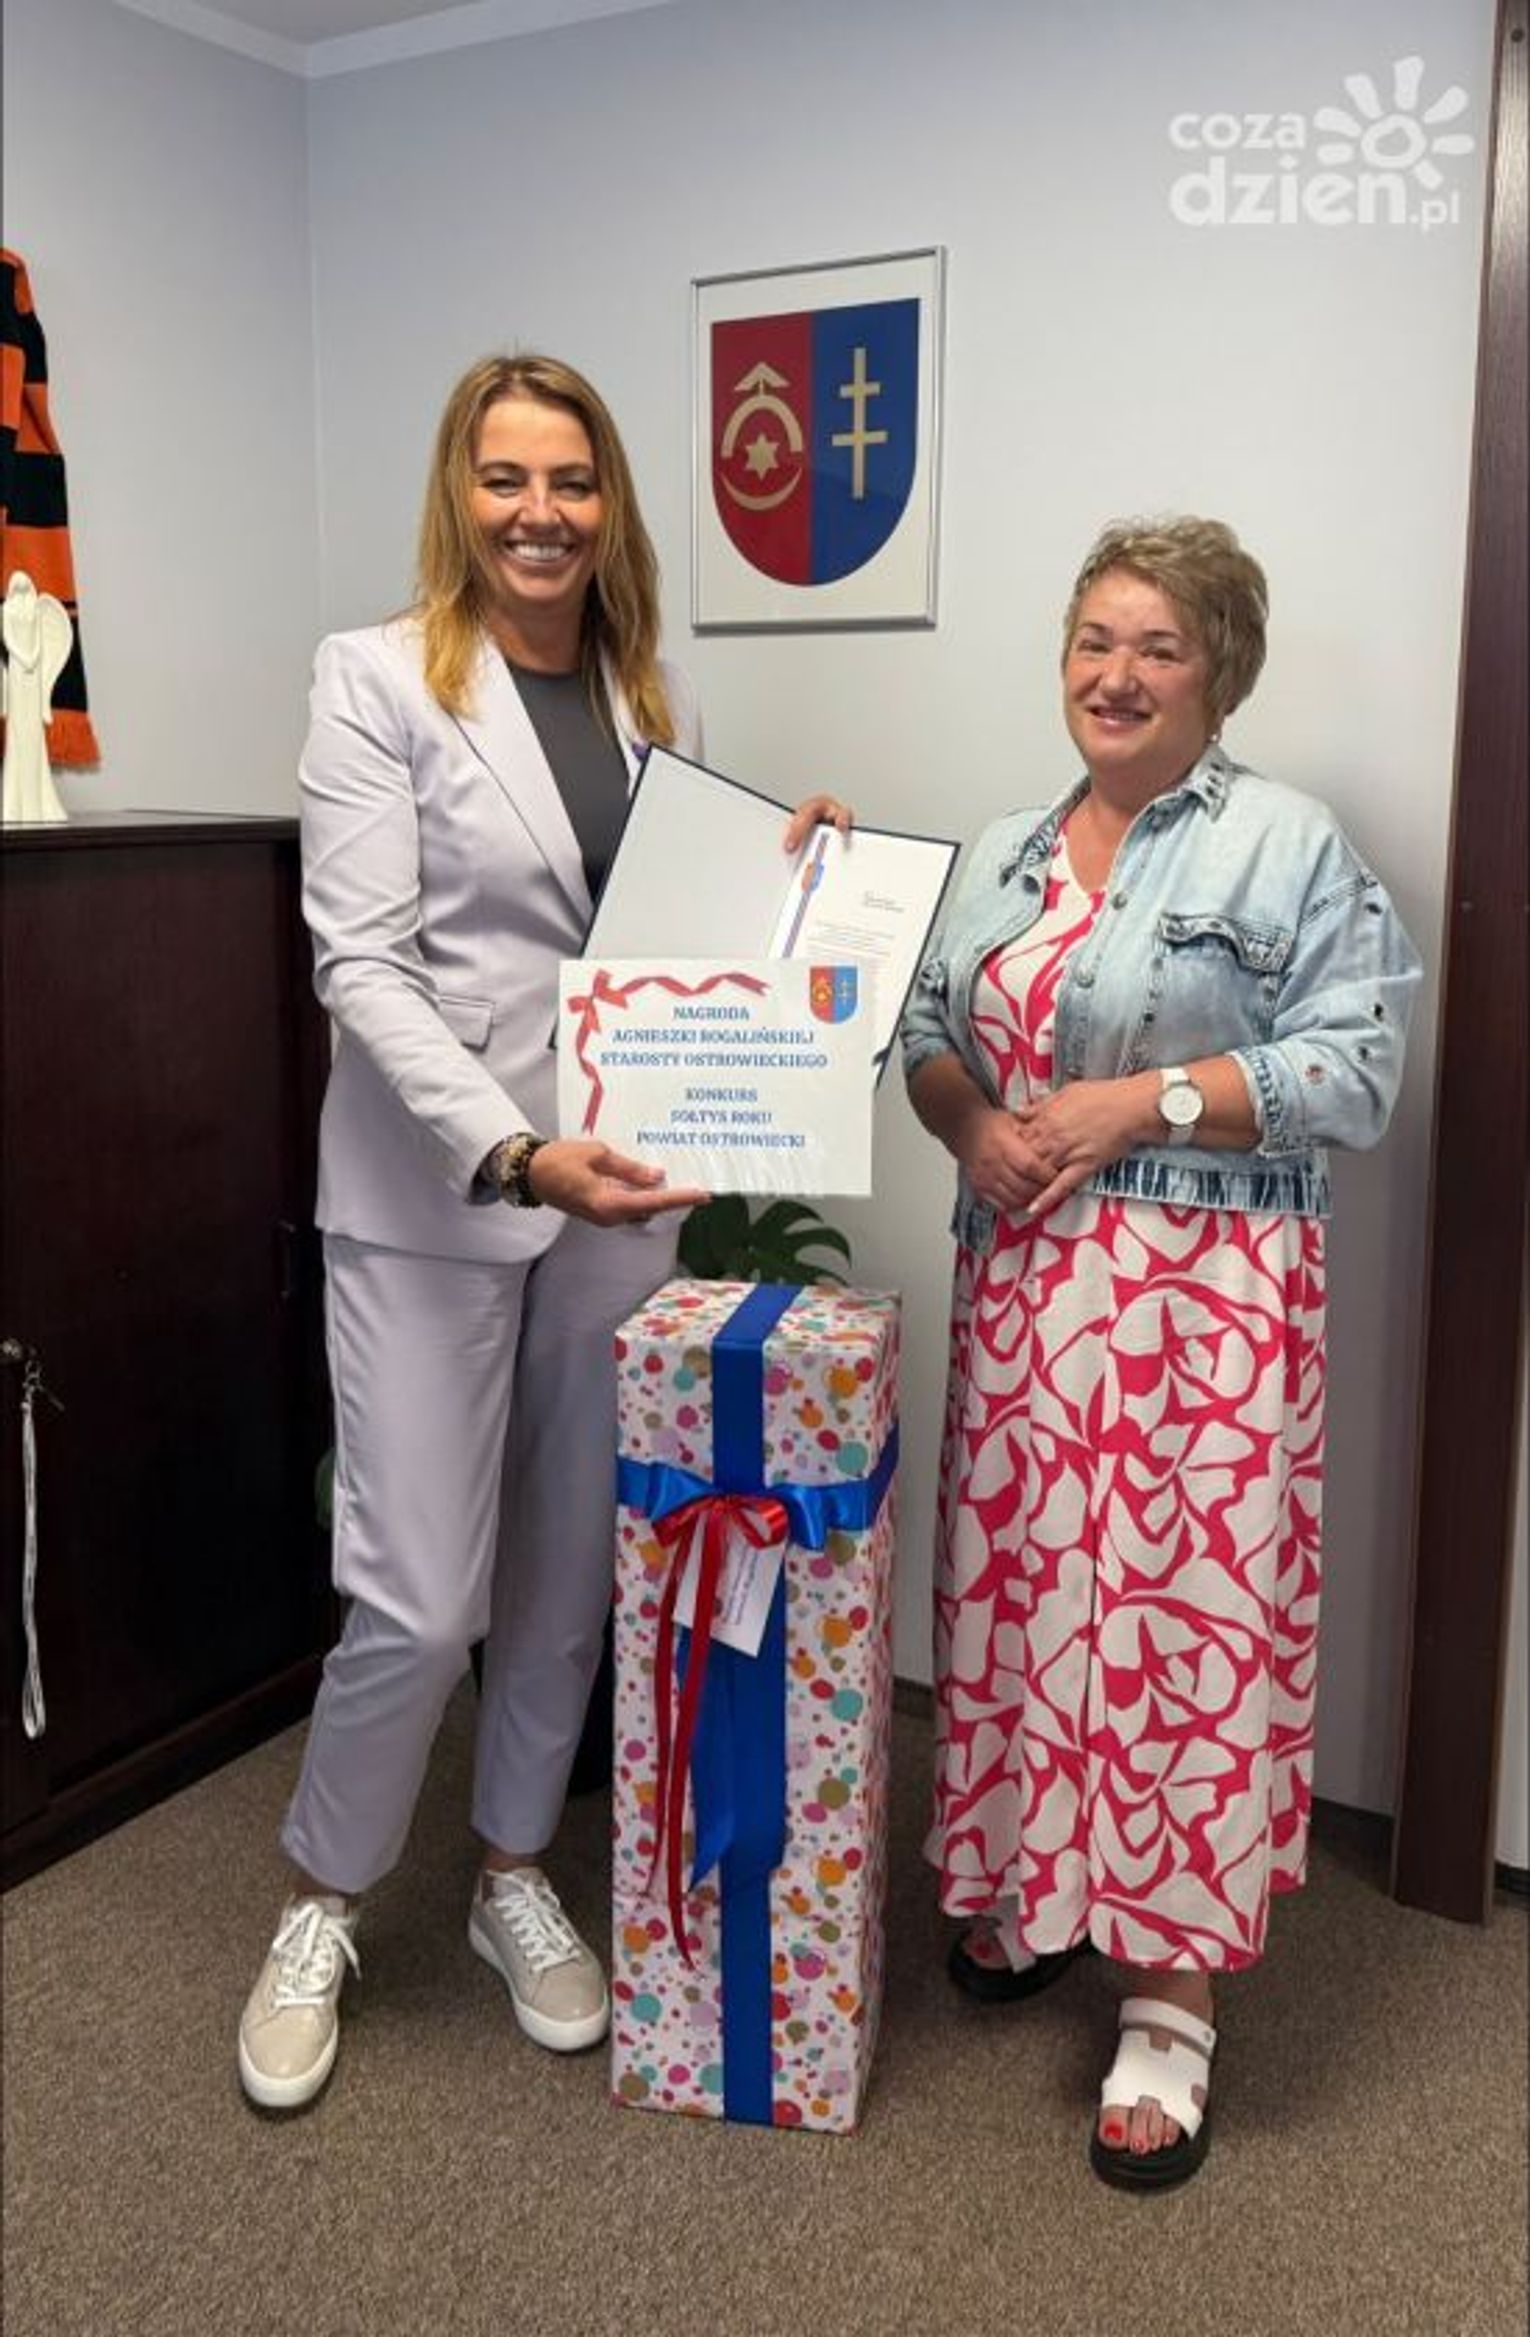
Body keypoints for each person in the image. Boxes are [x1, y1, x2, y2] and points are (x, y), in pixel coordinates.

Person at [238, 352, 847, 2111]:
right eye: (505, 477)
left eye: (570, 480)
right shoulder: (377, 679)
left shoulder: (652, 692)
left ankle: (510, 1867)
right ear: (459, 492)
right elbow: (361, 963)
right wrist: (513, 1151)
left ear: (607, 502)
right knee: (422, 1598)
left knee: (569, 1569)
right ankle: (323, 1895)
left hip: (615, 1193)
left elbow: (670, 939)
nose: (539, 511)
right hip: (444, 1195)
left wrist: (793, 876)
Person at [902, 516, 1419, 2190]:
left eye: (1157, 646)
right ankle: (1036, 1885)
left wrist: (1142, 1099)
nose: (1114, 674)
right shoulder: (1001, 846)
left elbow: (1358, 1066)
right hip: (1027, 1298)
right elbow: (924, 1032)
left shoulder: (1286, 842)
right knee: (1030, 1598)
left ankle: (1170, 1988)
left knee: (1169, 1626)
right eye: (1093, 639)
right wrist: (970, 1119)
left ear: (1217, 673)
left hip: (1201, 1317)